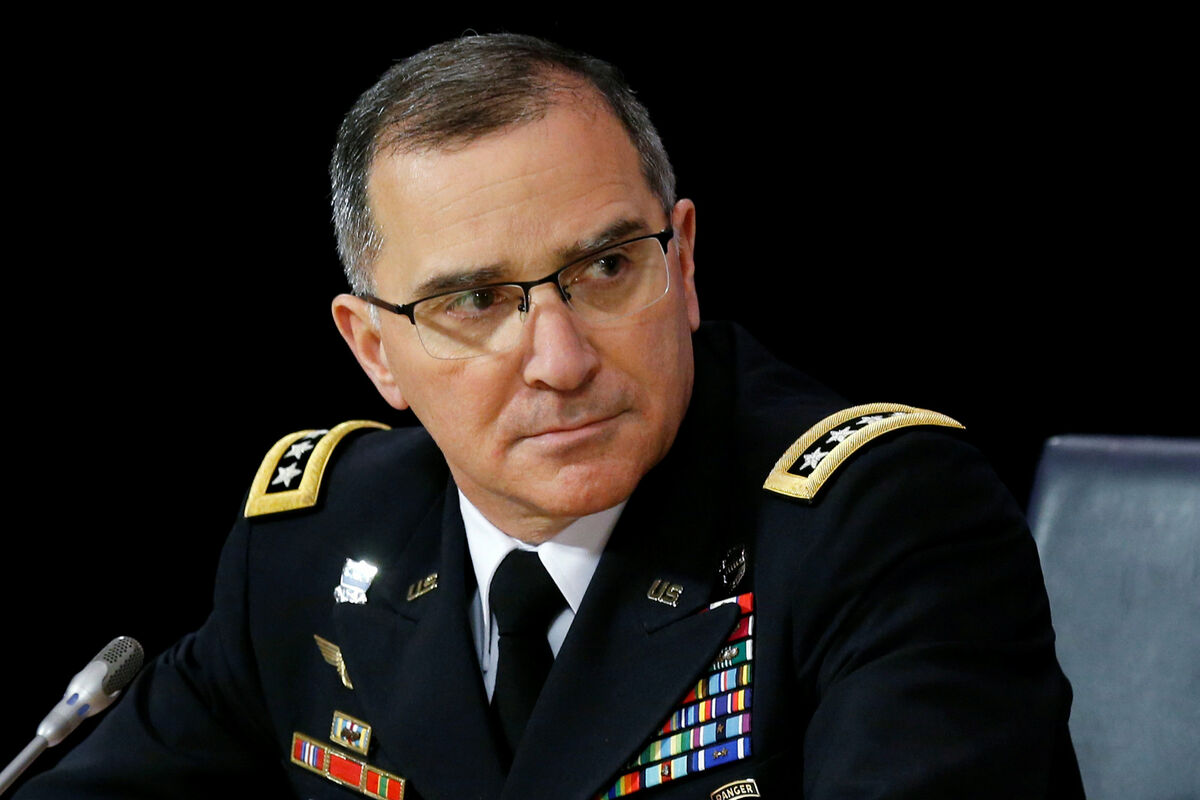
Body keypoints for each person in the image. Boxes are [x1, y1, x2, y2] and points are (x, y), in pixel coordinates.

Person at [17, 34, 1083, 799]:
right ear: (374, 348)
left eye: (608, 267)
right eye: (475, 302)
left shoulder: (883, 523)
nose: (563, 361)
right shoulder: (318, 540)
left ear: (685, 262)